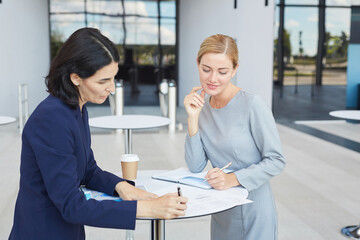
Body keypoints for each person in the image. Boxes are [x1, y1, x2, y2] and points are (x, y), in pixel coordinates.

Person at [9, 27, 187, 240]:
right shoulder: (51, 119)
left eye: (113, 78)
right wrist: (147, 209)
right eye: (103, 81)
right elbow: (70, 205)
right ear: (76, 78)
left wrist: (121, 187)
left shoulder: (76, 108)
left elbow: (87, 170)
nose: (111, 88)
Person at [184, 34, 286, 240]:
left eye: (222, 71)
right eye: (206, 70)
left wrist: (231, 179)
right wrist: (192, 119)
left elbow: (276, 161)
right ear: (197, 64)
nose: (213, 79)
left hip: (254, 209)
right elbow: (195, 166)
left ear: (235, 69)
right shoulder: (201, 107)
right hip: (222, 209)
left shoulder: (252, 104)